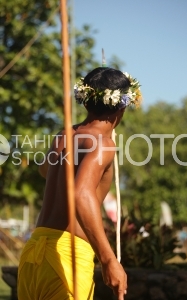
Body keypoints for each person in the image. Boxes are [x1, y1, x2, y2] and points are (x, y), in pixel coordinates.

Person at [17, 67, 142, 300]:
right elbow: (81, 194)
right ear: (123, 106)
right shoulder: (102, 144)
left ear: (85, 103)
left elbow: (44, 170)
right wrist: (108, 259)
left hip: (34, 254)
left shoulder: (63, 135)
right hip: (67, 257)